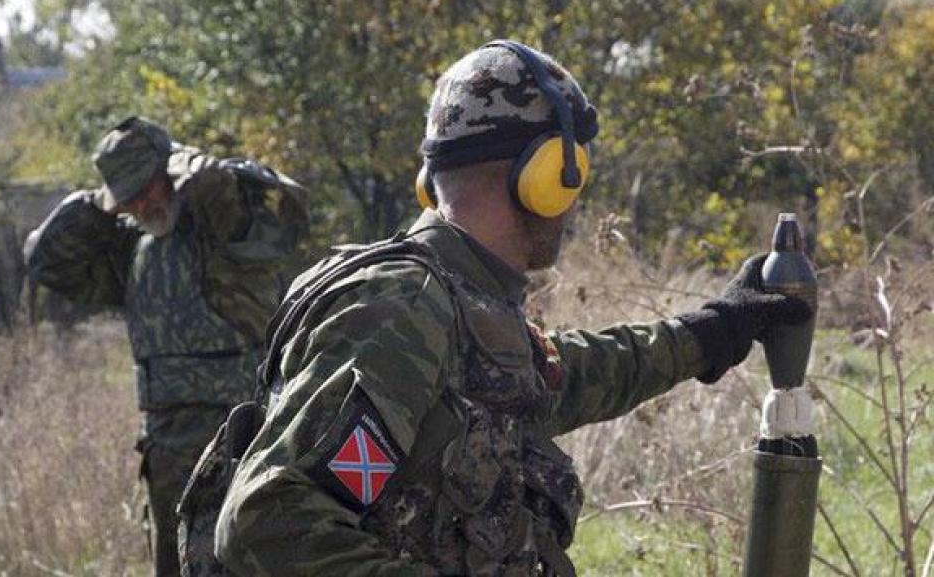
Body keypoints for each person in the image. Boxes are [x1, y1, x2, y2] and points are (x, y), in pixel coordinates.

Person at [212, 41, 810, 576]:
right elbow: (266, 521)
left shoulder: (460, 302)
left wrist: (711, 332)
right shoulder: (404, 309)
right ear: (547, 175)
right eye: (576, 174)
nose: (575, 201)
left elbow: (558, 378)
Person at [24, 116, 308, 576]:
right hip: (170, 449)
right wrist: (96, 207)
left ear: (170, 172)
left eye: (146, 187)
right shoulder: (134, 248)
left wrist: (182, 162)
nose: (140, 203)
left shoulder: (222, 223)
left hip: (248, 433)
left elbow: (222, 189)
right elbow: (45, 262)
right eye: (128, 196)